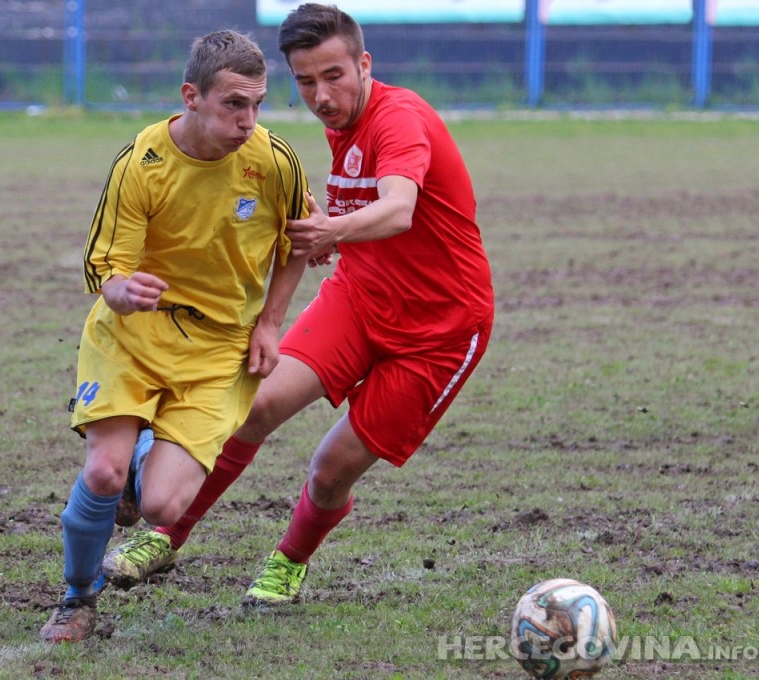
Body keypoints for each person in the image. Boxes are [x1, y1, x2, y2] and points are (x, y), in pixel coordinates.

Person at [103, 2, 494, 605]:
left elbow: (399, 209)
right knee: (252, 406)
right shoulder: (340, 124)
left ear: (365, 63)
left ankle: (290, 560)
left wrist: (333, 232)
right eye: (306, 81)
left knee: (330, 468)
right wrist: (321, 220)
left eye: (334, 75)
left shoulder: (399, 118)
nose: (321, 95)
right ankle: (166, 534)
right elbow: (336, 205)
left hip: (439, 331)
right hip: (360, 298)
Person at [39, 29, 312, 643]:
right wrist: (122, 290)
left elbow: (301, 240)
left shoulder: (273, 161)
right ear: (191, 96)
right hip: (133, 335)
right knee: (103, 474)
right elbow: (107, 270)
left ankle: (142, 466)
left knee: (162, 507)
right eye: (233, 105)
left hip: (220, 349)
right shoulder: (144, 162)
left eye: (258, 104)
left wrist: (271, 321)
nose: (249, 120)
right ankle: (78, 598)